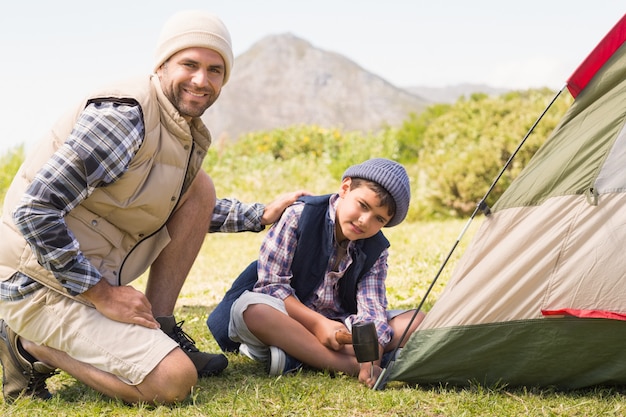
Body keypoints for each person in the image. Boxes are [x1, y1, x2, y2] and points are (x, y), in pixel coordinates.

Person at [0, 10, 305, 405]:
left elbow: (170, 204)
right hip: (35, 282)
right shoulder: (124, 118)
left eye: (215, 70)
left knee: (199, 188)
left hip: (85, 276)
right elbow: (35, 210)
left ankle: (159, 328)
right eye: (189, 64)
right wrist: (103, 295)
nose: (202, 80)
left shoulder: (176, 127)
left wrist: (258, 216)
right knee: (174, 381)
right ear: (162, 65)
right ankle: (27, 345)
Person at [208, 158, 424, 388]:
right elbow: (272, 286)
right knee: (255, 311)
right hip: (288, 316)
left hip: (340, 326)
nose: (365, 221)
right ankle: (345, 365)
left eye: (379, 219)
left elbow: (372, 310)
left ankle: (295, 356)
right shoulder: (299, 215)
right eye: (363, 205)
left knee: (416, 322)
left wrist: (371, 359)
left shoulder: (376, 249)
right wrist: (319, 325)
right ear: (345, 188)